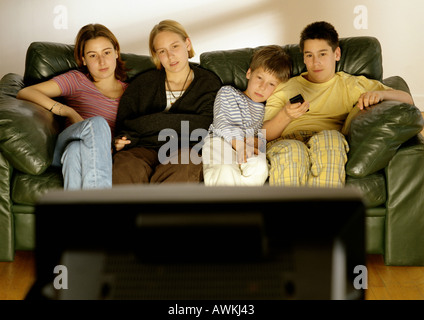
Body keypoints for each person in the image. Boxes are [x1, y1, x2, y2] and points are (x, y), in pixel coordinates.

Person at [263, 21, 414, 188]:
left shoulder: (351, 85)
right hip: (288, 141)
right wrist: (286, 115)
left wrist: (380, 94)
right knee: (294, 150)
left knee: (331, 139)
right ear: (304, 58)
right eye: (309, 55)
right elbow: (265, 134)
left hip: (327, 139)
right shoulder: (285, 87)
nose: (316, 62)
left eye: (322, 54)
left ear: (336, 54)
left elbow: (407, 99)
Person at [17, 23, 128, 190]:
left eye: (107, 52)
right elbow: (26, 93)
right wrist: (68, 111)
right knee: (96, 123)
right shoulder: (76, 80)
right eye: (92, 55)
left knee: (75, 151)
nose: (102, 61)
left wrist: (118, 142)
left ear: (116, 52)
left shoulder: (131, 92)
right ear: (83, 59)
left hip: (95, 153)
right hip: (66, 142)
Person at [112, 20, 221, 184]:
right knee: (126, 165)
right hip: (143, 149)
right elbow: (125, 126)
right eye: (162, 51)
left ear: (188, 43)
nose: (170, 56)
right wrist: (121, 140)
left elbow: (206, 125)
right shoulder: (142, 84)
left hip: (185, 150)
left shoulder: (208, 82)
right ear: (156, 55)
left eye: (175, 46)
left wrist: (147, 124)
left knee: (187, 164)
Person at [202, 45, 291, 186]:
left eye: (271, 84)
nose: (262, 87)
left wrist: (257, 142)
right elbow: (224, 124)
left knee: (260, 168)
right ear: (249, 73)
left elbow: (264, 135)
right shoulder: (228, 92)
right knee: (225, 169)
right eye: (260, 78)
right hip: (221, 140)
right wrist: (241, 146)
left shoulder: (267, 109)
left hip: (248, 146)